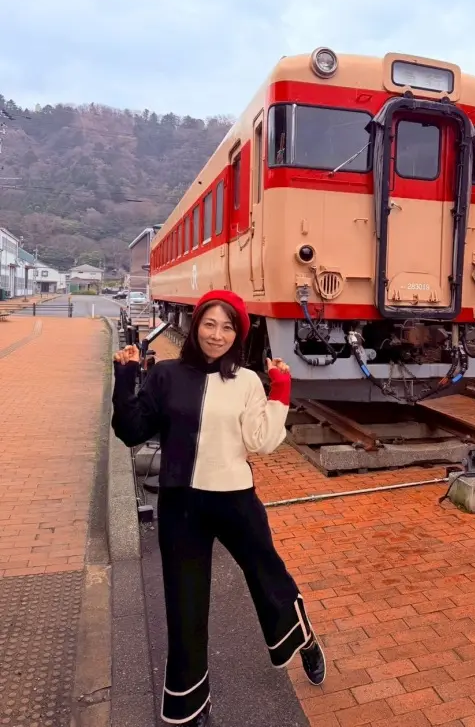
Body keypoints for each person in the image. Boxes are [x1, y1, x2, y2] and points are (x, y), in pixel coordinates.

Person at [111, 290, 326, 727]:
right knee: (185, 603)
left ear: (239, 334)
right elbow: (132, 431)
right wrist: (126, 374)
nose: (217, 334)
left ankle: (302, 636)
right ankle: (191, 704)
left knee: (269, 576)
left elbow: (261, 443)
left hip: (234, 499)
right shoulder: (166, 375)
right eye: (210, 323)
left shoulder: (246, 381)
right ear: (196, 326)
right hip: (181, 505)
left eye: (228, 327)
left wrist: (279, 391)